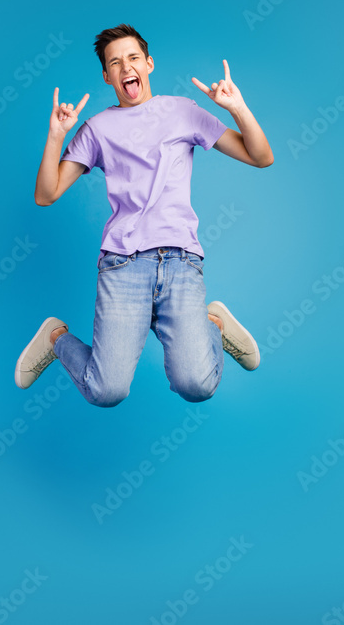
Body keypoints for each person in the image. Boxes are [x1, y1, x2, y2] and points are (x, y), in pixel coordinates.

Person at [14, 24, 274, 407]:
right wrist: (56, 135)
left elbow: (260, 156)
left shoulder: (184, 112)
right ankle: (56, 339)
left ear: (148, 64)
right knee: (106, 391)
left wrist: (237, 107)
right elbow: (45, 195)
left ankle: (213, 324)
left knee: (197, 385)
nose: (125, 67)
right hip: (124, 265)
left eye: (133, 58)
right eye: (115, 62)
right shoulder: (96, 130)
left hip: (181, 261)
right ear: (106, 76)